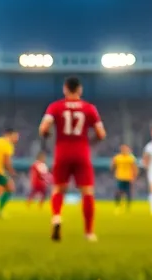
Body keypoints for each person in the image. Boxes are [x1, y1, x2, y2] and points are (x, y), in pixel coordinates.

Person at [40, 76, 106, 241]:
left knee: (58, 189)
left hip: (62, 152)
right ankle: (89, 232)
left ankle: (56, 218)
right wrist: (90, 141)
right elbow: (101, 134)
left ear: (65, 89)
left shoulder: (55, 107)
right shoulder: (89, 108)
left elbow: (43, 128)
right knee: (87, 192)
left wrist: (47, 135)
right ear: (80, 90)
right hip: (81, 151)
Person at [111, 144, 137, 212]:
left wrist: (133, 177)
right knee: (118, 192)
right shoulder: (117, 158)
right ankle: (117, 206)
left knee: (128, 193)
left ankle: (128, 207)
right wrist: (112, 166)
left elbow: (134, 168)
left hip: (128, 178)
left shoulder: (131, 158)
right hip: (120, 177)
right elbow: (113, 166)